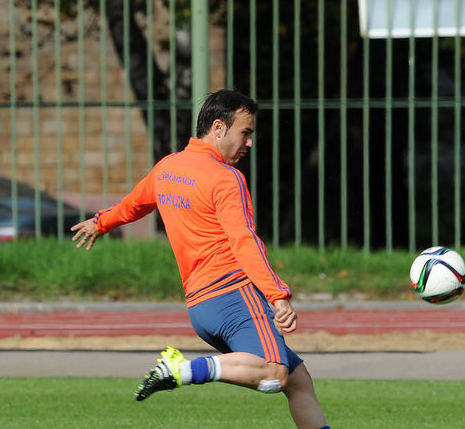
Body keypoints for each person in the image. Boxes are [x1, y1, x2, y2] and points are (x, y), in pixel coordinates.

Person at [71, 89, 329, 428]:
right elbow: (244, 241)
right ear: (219, 128)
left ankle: (186, 369)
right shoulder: (226, 178)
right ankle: (182, 370)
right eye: (245, 132)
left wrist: (100, 222)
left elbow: (134, 204)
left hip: (202, 309)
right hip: (235, 296)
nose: (249, 142)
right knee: (274, 374)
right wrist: (278, 295)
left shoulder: (168, 168)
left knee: (298, 380)